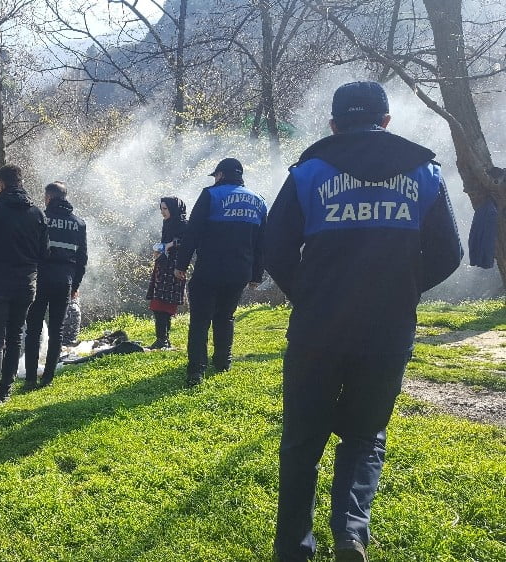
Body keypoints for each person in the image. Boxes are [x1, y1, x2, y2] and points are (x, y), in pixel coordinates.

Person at [264, 81, 462, 562]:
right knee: (365, 433)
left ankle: (293, 549)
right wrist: (401, 290)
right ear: (386, 121)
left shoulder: (309, 172)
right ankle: (351, 532)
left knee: (302, 441)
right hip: (387, 331)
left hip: (317, 329)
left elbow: (274, 248)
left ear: (334, 125)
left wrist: (308, 294)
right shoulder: (425, 173)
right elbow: (449, 253)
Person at [175, 158, 266, 386]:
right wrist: (256, 275)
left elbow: (192, 232)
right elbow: (262, 243)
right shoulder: (258, 201)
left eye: (215, 175)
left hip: (210, 270)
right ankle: (223, 362)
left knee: (200, 320)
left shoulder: (211, 195)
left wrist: (181, 265)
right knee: (226, 316)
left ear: (221, 175)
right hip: (240, 272)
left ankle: (196, 370)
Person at [0, 164, 49, 411]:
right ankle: (5, 390)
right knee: (15, 337)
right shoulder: (37, 214)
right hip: (26, 284)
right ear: (20, 182)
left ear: (0, 184)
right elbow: (44, 253)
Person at [23, 181, 88, 390]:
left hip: (40, 280)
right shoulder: (79, 223)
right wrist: (75, 285)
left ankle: (30, 378)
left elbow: (29, 250)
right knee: (57, 330)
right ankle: (48, 377)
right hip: (64, 282)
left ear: (49, 198)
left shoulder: (40, 218)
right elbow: (82, 259)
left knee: (33, 329)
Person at [146, 196, 188, 349]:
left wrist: (171, 244)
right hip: (163, 266)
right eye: (161, 209)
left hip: (175, 267)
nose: (162, 212)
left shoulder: (184, 224)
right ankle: (163, 339)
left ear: (173, 209)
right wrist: (160, 249)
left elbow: (189, 242)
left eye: (165, 209)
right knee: (158, 304)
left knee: (165, 305)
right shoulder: (167, 223)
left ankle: (162, 339)